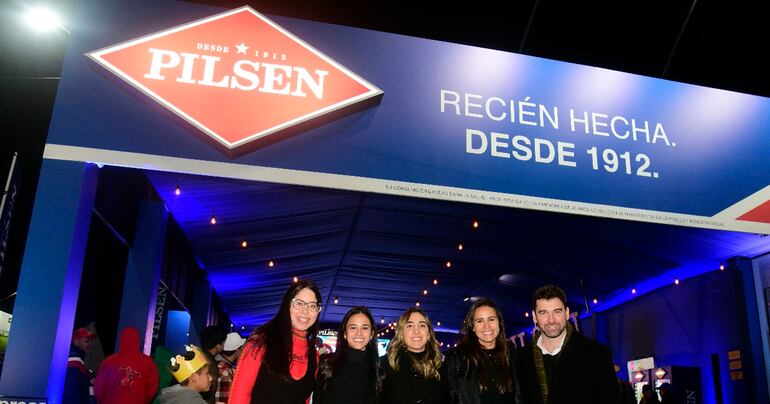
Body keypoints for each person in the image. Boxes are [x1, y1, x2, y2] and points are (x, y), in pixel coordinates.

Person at [516, 285, 618, 404]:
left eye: (557, 311)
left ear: (567, 313)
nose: (551, 320)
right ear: (534, 316)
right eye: (543, 313)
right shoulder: (521, 358)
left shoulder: (596, 353)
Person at [230, 280, 323, 404]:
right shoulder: (261, 342)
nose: (305, 311)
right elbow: (239, 396)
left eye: (312, 305)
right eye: (299, 303)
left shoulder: (314, 356)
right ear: (287, 304)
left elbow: (304, 399)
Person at [441, 298, 521, 404]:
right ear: (473, 327)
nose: (486, 326)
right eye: (480, 321)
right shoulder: (457, 360)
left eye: (491, 319)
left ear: (499, 323)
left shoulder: (512, 355)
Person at [314, 306, 382, 404]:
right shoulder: (326, 364)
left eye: (365, 328)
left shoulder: (378, 372)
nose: (359, 333)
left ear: (371, 334)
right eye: (353, 327)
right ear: (345, 333)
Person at [379, 307, 445, 404]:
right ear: (401, 333)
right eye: (410, 326)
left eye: (422, 325)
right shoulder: (384, 367)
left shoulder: (442, 367)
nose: (416, 331)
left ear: (429, 334)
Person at [93, 326, 159, 404]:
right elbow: (152, 389)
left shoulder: (109, 361)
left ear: (121, 340)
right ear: (138, 340)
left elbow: (98, 389)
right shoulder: (149, 362)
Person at [64, 327, 96, 404]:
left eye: (91, 341)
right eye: (86, 341)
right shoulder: (74, 360)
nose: (90, 344)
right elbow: (71, 391)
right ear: (76, 341)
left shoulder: (75, 358)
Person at [215, 332, 246, 403]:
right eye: (241, 348)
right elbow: (222, 401)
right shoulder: (226, 371)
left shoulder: (216, 362)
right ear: (237, 350)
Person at [200, 325, 227, 404]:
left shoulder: (196, 356)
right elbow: (210, 393)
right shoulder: (211, 364)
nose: (224, 346)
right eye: (223, 343)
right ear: (218, 345)